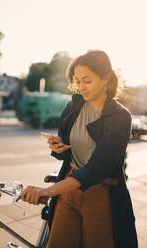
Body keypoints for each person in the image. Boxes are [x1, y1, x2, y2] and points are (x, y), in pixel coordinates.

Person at [21, 50, 138, 248]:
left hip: (100, 193)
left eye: (87, 80)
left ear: (106, 78)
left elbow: (96, 167)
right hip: (68, 188)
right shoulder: (73, 106)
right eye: (77, 81)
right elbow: (68, 150)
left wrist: (48, 191)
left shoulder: (120, 117)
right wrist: (59, 148)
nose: (81, 87)